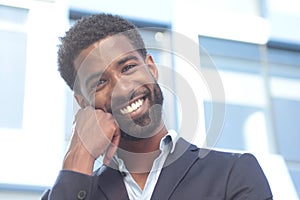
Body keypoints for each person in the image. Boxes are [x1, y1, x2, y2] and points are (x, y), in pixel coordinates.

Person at [41, 13, 273, 200]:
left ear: (150, 68)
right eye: (100, 82)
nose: (122, 88)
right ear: (83, 104)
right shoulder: (67, 192)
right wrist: (80, 155)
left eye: (128, 67)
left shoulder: (233, 173)